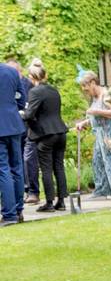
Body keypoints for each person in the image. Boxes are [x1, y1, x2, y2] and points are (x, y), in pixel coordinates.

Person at [20, 59, 68, 212]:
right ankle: (61, 201)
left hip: (46, 135)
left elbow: (30, 114)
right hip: (60, 132)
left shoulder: (35, 91)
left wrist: (22, 113)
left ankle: (49, 202)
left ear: (31, 77)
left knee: (46, 169)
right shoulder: (54, 90)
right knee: (59, 167)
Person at [75, 72, 111, 199]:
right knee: (99, 163)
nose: (86, 91)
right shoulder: (94, 98)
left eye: (86, 88)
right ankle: (102, 190)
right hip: (99, 133)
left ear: (93, 82)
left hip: (110, 132)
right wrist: (84, 122)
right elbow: (94, 117)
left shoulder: (106, 95)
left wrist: (96, 111)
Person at [6, 59, 40, 204]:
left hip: (26, 127)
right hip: (13, 127)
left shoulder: (29, 85)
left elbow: (28, 106)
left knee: (26, 161)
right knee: (15, 162)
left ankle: (31, 191)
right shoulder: (8, 83)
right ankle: (19, 196)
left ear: (19, 71)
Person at [0, 62, 26, 226]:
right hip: (14, 125)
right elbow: (22, 99)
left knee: (3, 169)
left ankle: (9, 215)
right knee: (16, 167)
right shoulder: (12, 71)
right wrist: (10, 109)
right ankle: (18, 210)